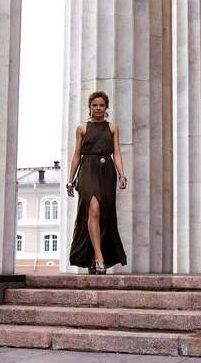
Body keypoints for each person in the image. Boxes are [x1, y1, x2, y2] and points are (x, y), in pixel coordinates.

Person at [66, 91, 127, 274]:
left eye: (101, 105)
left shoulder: (113, 128)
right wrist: (70, 181)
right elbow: (77, 154)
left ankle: (93, 256)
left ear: (106, 108)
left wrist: (122, 175)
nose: (98, 108)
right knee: (93, 209)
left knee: (103, 215)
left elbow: (116, 153)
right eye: (95, 105)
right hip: (87, 171)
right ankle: (100, 257)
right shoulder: (82, 128)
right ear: (90, 107)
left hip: (106, 172)